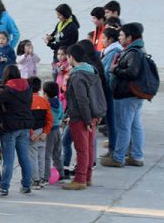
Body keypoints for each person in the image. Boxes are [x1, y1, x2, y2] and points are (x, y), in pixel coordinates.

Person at [102, 23, 148, 168]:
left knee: (123, 127)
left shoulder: (133, 52)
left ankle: (119, 157)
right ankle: (136, 156)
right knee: (135, 126)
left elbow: (131, 72)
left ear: (129, 37)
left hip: (126, 95)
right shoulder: (136, 50)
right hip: (134, 95)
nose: (119, 38)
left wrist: (115, 70)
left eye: (121, 35)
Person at [62, 44, 107, 189]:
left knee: (81, 149)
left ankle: (80, 179)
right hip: (93, 115)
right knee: (88, 147)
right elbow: (98, 93)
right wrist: (97, 114)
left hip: (81, 117)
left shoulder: (77, 76)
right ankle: (87, 177)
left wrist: (87, 119)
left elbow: (82, 100)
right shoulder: (92, 70)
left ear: (72, 57)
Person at [0, 65, 34, 197]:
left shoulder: (6, 91)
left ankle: (4, 188)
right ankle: (26, 186)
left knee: (8, 160)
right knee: (24, 157)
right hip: (25, 126)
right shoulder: (28, 88)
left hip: (9, 127)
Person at [100, 27, 122, 156]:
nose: (102, 40)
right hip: (111, 91)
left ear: (109, 39)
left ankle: (113, 149)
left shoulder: (113, 52)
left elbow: (106, 73)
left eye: (104, 38)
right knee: (112, 120)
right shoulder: (112, 51)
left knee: (112, 121)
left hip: (109, 91)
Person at [27, 76, 53, 188]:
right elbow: (50, 119)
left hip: (32, 132)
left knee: (32, 156)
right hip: (42, 132)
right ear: (40, 88)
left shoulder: (27, 101)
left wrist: (31, 132)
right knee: (41, 156)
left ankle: (35, 180)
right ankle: (42, 179)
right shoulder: (45, 101)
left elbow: (27, 118)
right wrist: (45, 132)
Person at [43, 81, 64, 184]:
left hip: (49, 130)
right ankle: (61, 173)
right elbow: (61, 115)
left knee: (47, 154)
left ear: (45, 93)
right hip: (57, 130)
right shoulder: (59, 102)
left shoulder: (46, 103)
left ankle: (46, 176)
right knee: (57, 153)